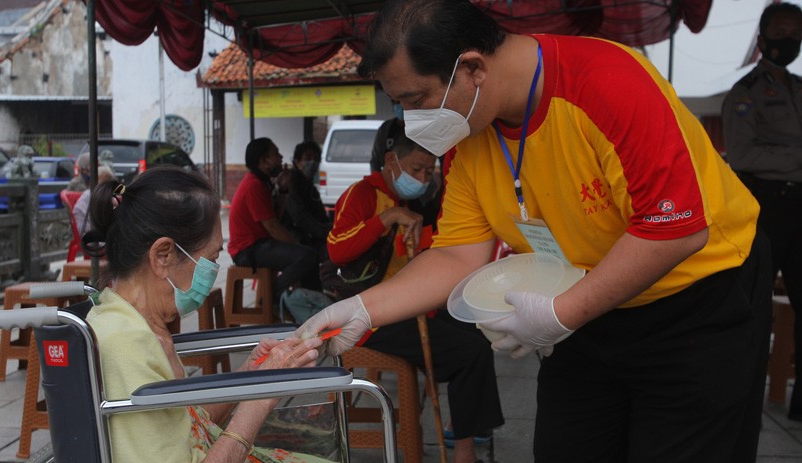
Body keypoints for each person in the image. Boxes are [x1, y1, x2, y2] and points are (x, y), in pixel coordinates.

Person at [298, 1, 773, 462]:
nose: (412, 120)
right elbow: (458, 254)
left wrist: (561, 314)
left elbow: (675, 229)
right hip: (586, 304)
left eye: (417, 100)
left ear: (472, 68)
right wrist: (363, 309)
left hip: (695, 304)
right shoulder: (469, 134)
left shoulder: (607, 80)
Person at [81, 166, 326, 462]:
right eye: (211, 259)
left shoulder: (138, 325)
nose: (212, 272)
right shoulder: (127, 345)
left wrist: (251, 373)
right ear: (163, 256)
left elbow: (191, 427)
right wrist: (262, 398)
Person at [325, 128, 502, 463]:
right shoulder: (362, 194)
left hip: (404, 307)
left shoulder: (410, 202)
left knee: (474, 330)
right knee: (470, 351)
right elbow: (337, 250)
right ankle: (464, 452)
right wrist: (387, 218)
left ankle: (464, 426)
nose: (422, 178)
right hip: (369, 317)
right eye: (416, 169)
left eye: (428, 172)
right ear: (391, 161)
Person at [722, 2, 802, 421]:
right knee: (751, 306)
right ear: (763, 37)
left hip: (801, 206)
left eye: (796, 34)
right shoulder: (745, 92)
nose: (789, 40)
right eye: (781, 32)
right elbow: (742, 154)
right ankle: (738, 398)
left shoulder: (800, 88)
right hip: (766, 206)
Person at [228, 138, 320, 299]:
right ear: (264, 161)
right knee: (306, 255)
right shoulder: (254, 185)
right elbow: (273, 227)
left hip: (259, 244)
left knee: (307, 255)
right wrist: (296, 245)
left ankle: (311, 300)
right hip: (247, 250)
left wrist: (283, 190)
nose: (281, 157)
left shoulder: (262, 183)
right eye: (276, 154)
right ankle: (270, 299)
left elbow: (276, 217)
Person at [282, 141, 332, 260]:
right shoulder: (291, 182)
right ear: (297, 161)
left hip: (310, 235)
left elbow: (320, 214)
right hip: (296, 237)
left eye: (316, 159)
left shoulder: (309, 185)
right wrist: (325, 233)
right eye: (308, 158)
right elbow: (300, 217)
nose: (312, 162)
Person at [73, 165, 115, 237]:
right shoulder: (88, 198)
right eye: (104, 183)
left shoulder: (110, 197)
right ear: (95, 182)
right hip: (91, 237)